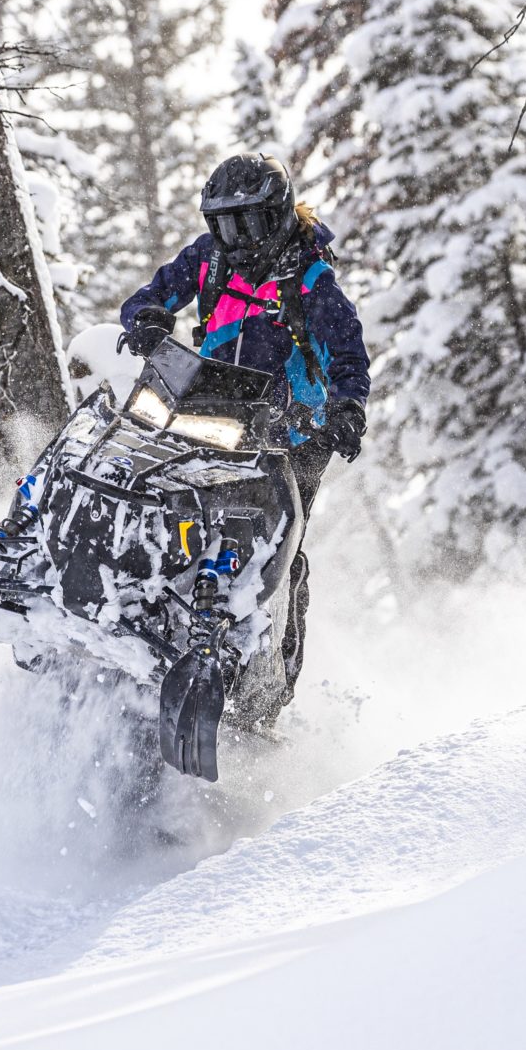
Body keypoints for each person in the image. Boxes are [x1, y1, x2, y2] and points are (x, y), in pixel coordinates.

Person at [118, 153, 370, 704]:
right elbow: (152, 294)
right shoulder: (209, 258)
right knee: (165, 499)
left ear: (276, 216)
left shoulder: (309, 278)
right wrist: (147, 319)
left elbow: (348, 353)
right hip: (209, 405)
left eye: (248, 223)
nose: (237, 238)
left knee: (276, 543)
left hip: (293, 432)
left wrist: (347, 409)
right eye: (225, 224)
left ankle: (271, 683)